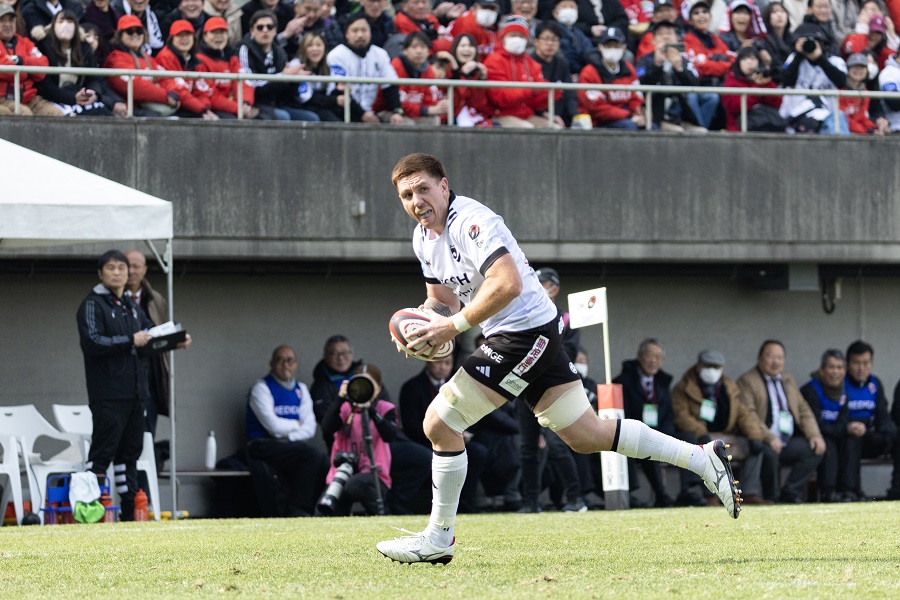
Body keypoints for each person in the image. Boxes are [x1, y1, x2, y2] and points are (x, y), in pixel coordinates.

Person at [376, 153, 741, 565]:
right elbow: (441, 300)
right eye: (406, 195)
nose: (416, 201)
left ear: (444, 186)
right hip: (525, 333)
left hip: (523, 333)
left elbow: (507, 284)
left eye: (423, 189)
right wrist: (423, 327)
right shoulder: (423, 238)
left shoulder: (472, 221)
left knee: (440, 423)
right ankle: (701, 458)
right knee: (587, 435)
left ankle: (438, 538)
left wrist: (453, 326)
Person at [76, 250, 185, 520]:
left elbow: (149, 336)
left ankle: (128, 515)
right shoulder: (92, 304)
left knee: (130, 456)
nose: (117, 273)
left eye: (121, 268)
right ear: (100, 273)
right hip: (108, 393)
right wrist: (129, 340)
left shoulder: (130, 305)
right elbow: (92, 342)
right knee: (102, 454)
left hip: (137, 393)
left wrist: (174, 339)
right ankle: (89, 513)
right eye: (111, 268)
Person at [516, 267, 587, 513]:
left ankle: (575, 498)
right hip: (525, 388)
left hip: (554, 390)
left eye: (542, 283)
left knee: (557, 446)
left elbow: (569, 352)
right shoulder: (524, 316)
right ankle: (530, 502)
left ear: (554, 288)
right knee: (528, 448)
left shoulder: (566, 319)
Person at [672, 349, 769, 505]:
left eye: (716, 367)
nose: (712, 370)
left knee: (754, 447)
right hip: (700, 435)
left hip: (726, 435)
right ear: (698, 366)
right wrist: (701, 432)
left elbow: (743, 414)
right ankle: (710, 496)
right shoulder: (683, 388)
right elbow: (680, 415)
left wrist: (754, 435)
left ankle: (750, 492)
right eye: (707, 366)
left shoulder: (729, 388)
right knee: (704, 449)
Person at [736, 340, 826, 503]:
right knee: (768, 453)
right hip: (763, 438)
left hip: (786, 440)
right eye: (771, 356)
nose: (776, 362)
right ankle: (772, 497)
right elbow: (749, 414)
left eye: (780, 357)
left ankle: (790, 492)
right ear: (759, 358)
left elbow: (803, 409)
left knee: (814, 449)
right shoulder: (747, 380)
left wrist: (814, 434)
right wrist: (769, 437)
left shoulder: (787, 379)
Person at [246, 345, 329, 517]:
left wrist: (288, 435)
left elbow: (310, 429)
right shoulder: (261, 387)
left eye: (290, 360)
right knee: (311, 455)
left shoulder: (301, 389)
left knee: (322, 459)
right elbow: (273, 427)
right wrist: (296, 425)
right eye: (280, 360)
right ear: (271, 364)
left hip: (290, 446)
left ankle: (315, 509)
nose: (286, 364)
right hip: (261, 445)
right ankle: (298, 509)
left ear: (296, 364)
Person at [399, 355, 486, 513]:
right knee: (424, 456)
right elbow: (411, 426)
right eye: (438, 362)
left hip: (457, 439)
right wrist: (438, 435)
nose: (443, 367)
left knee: (478, 452)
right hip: (425, 442)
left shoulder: (458, 386)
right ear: (428, 361)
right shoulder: (412, 387)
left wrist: (462, 433)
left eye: (447, 363)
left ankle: (465, 502)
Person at [319, 363, 397, 516]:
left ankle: (382, 517)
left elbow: (390, 435)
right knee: (323, 509)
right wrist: (340, 398)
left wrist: (371, 409)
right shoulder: (346, 408)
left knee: (354, 485)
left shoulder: (385, 408)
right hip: (343, 473)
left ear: (378, 389)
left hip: (375, 475)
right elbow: (327, 428)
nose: (363, 390)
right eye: (359, 385)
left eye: (369, 386)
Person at [613, 339, 676, 507]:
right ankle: (655, 495)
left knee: (689, 439)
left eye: (658, 357)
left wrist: (665, 435)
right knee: (645, 446)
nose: (653, 361)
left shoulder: (662, 383)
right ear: (639, 357)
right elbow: (623, 414)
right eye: (649, 356)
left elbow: (668, 415)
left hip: (658, 433)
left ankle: (690, 490)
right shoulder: (623, 381)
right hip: (632, 434)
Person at [33, 10, 119, 117]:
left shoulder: (84, 48)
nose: (65, 26)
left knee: (102, 113)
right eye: (61, 21)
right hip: (52, 99)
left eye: (70, 21)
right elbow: (45, 86)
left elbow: (92, 79)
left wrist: (92, 94)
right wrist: (72, 97)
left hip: (79, 96)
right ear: (53, 25)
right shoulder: (43, 46)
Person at [484, 15, 563, 128]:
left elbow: (536, 103)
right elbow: (501, 98)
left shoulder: (531, 63)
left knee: (556, 128)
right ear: (504, 37)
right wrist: (532, 89)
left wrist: (550, 94)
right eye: (513, 35)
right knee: (526, 129)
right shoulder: (493, 61)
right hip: (501, 115)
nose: (517, 39)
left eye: (521, 36)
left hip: (526, 115)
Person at [239, 9, 320, 121]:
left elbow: (285, 89)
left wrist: (294, 80)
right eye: (260, 27)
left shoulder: (279, 51)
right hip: (256, 103)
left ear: (275, 30)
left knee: (311, 118)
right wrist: (283, 77)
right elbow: (251, 84)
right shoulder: (245, 49)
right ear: (252, 30)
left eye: (269, 27)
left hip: (277, 103)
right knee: (283, 117)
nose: (265, 30)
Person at [123, 250, 170, 438]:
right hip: (122, 376)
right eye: (127, 266)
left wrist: (177, 339)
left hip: (150, 377)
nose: (131, 271)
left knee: (147, 434)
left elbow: (160, 331)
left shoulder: (155, 299)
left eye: (136, 267)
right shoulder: (112, 298)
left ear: (144, 270)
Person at [842, 340, 896, 500]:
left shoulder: (875, 383)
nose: (861, 368)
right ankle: (852, 492)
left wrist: (888, 434)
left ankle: (896, 490)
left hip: (871, 436)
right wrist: (849, 426)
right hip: (848, 436)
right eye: (856, 363)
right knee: (852, 440)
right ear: (848, 364)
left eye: (866, 363)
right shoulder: (841, 383)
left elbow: (882, 414)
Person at [326, 13, 405, 123]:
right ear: (347, 34)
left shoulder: (380, 54)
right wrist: (362, 114)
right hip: (342, 111)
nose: (360, 35)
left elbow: (390, 85)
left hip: (370, 112)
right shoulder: (336, 55)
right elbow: (340, 89)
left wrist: (396, 111)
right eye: (355, 31)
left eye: (364, 30)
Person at [778, 21, 849, 134]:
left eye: (816, 41)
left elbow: (842, 82)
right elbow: (785, 81)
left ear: (823, 43)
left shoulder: (835, 61)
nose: (811, 45)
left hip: (826, 118)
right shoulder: (793, 59)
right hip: (795, 117)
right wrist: (798, 55)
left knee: (839, 117)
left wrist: (820, 58)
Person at [104, 15, 182, 117]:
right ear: (120, 35)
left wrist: (173, 93)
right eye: (130, 31)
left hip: (149, 106)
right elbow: (135, 86)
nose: (135, 34)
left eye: (139, 31)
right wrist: (166, 97)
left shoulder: (146, 57)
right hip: (128, 110)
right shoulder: (115, 59)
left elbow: (165, 77)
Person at [799, 349, 851, 502]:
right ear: (821, 370)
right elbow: (815, 424)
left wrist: (844, 430)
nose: (835, 372)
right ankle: (828, 492)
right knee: (828, 443)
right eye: (831, 367)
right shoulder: (810, 389)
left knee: (850, 442)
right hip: (811, 436)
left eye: (839, 367)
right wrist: (841, 430)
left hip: (833, 433)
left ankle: (849, 491)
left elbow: (843, 420)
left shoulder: (844, 391)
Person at [636, 19, 703, 131]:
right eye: (661, 34)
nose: (666, 37)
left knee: (701, 132)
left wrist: (679, 68)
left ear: (676, 38)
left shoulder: (684, 59)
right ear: (653, 40)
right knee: (677, 131)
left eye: (669, 33)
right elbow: (642, 84)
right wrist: (656, 65)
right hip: (656, 115)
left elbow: (694, 83)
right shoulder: (645, 60)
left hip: (681, 115)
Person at [577, 25, 647, 129]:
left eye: (616, 46)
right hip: (599, 121)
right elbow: (596, 107)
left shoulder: (629, 68)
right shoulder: (589, 72)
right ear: (600, 47)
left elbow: (636, 97)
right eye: (608, 46)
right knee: (630, 126)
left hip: (626, 115)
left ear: (623, 48)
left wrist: (639, 112)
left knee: (651, 126)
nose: (612, 49)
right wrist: (628, 116)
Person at [0, 5, 63, 117]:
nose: (7, 24)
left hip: (29, 98)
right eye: (2, 20)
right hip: (3, 99)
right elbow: (5, 70)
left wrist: (20, 60)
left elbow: (43, 65)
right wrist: (28, 72)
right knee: (24, 114)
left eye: (11, 20)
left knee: (56, 114)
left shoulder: (25, 43)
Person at [154, 20, 221, 119]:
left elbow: (201, 89)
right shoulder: (165, 57)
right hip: (172, 107)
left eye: (188, 35)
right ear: (172, 39)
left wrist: (205, 107)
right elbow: (179, 91)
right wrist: (201, 110)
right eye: (179, 35)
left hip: (189, 106)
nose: (184, 39)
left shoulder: (194, 59)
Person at [195, 16, 259, 119]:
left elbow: (244, 82)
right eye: (214, 32)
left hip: (234, 106)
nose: (219, 37)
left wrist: (245, 103)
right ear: (205, 36)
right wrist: (238, 108)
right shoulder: (199, 60)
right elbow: (210, 95)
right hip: (212, 109)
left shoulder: (232, 56)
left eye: (222, 32)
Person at [682, 0, 731, 129]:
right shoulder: (686, 40)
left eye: (705, 12)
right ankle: (700, 133)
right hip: (694, 86)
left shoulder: (716, 40)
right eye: (696, 13)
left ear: (710, 17)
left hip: (715, 87)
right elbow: (700, 68)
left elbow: (731, 62)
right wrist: (719, 65)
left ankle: (700, 132)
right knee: (704, 97)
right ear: (690, 20)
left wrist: (709, 63)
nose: (701, 16)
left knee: (714, 97)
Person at [387, 31, 448, 124]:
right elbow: (397, 101)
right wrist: (427, 110)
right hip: (390, 111)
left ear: (428, 52)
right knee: (407, 124)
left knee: (434, 121)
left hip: (414, 112)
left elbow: (429, 100)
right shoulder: (396, 65)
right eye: (414, 47)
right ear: (405, 50)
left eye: (423, 47)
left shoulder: (428, 70)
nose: (419, 51)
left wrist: (438, 106)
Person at [721, 45, 784, 131]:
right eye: (744, 59)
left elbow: (777, 103)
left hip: (767, 124)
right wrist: (756, 87)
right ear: (738, 62)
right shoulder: (731, 81)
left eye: (753, 59)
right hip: (741, 128)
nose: (749, 62)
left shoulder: (763, 80)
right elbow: (736, 107)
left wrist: (767, 84)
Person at [531, 21, 579, 126]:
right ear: (536, 42)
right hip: (537, 115)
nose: (550, 43)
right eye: (546, 39)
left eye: (554, 40)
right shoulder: (529, 62)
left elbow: (569, 92)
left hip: (560, 115)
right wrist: (544, 113)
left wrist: (575, 115)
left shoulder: (562, 63)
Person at [289, 30, 341, 121]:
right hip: (298, 106)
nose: (315, 49)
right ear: (303, 48)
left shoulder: (328, 66)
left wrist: (338, 92)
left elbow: (330, 92)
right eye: (310, 45)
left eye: (318, 45)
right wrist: (335, 100)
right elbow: (305, 98)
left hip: (319, 106)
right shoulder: (296, 65)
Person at [450, 32, 493, 126]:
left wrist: (482, 79)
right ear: (455, 49)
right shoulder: (448, 70)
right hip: (453, 118)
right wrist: (463, 75)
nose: (467, 49)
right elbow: (455, 102)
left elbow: (480, 105)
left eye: (470, 46)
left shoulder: (479, 71)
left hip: (477, 118)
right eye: (462, 46)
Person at [841, 52, 890, 134]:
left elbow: (862, 118)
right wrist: (868, 131)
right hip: (842, 133)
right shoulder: (840, 91)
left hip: (857, 133)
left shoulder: (865, 92)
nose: (858, 70)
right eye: (855, 66)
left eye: (862, 67)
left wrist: (877, 127)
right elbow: (844, 119)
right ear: (848, 69)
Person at [549, 0, 594, 76]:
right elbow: (566, 55)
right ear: (555, 13)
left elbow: (590, 52)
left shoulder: (578, 32)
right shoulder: (552, 30)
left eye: (572, 7)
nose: (569, 10)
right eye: (564, 6)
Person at [756, 1, 792, 84]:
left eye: (782, 11)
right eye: (774, 12)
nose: (779, 15)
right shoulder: (762, 41)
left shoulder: (793, 40)